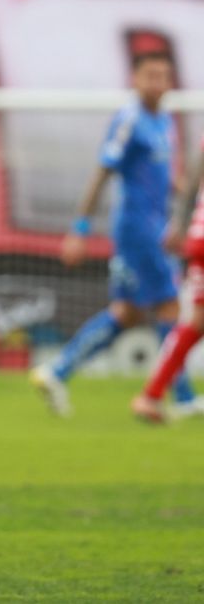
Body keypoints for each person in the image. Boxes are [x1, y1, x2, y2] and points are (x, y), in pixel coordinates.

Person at [31, 52, 199, 418]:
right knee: (171, 306)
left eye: (163, 76)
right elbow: (102, 172)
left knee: (128, 313)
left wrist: (187, 197)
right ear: (135, 79)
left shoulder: (164, 120)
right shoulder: (129, 120)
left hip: (154, 224)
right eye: (150, 75)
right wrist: (79, 229)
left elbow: (160, 176)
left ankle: (57, 372)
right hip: (139, 229)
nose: (157, 83)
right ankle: (183, 397)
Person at [132, 131, 204, 423]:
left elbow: (192, 184)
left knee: (196, 323)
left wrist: (180, 224)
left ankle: (151, 395)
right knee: (194, 322)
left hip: (199, 236)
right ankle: (151, 394)